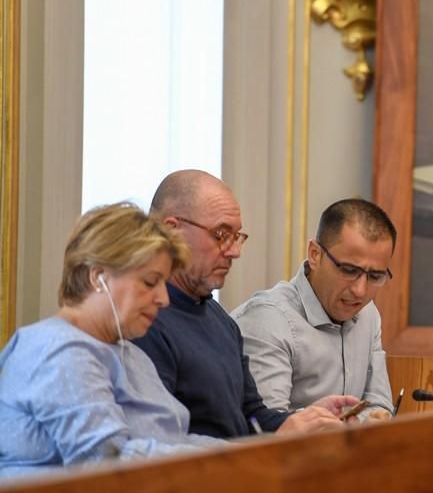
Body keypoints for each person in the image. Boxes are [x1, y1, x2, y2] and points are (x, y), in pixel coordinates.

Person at [0, 203, 225, 476]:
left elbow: (174, 439)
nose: (163, 299)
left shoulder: (129, 353)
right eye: (150, 282)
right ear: (98, 277)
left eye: (164, 285)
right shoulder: (59, 350)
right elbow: (106, 459)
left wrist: (242, 457)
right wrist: (227, 467)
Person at [132, 170, 358, 438]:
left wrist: (303, 421)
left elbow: (252, 416)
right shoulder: (142, 321)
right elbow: (161, 444)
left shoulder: (219, 318)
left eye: (237, 236)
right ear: (172, 230)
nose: (234, 251)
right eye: (220, 234)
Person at [231, 199, 395, 421]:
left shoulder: (368, 315)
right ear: (315, 254)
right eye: (348, 270)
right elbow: (266, 428)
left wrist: (363, 422)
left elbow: (379, 403)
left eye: (375, 276)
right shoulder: (269, 320)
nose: (360, 290)